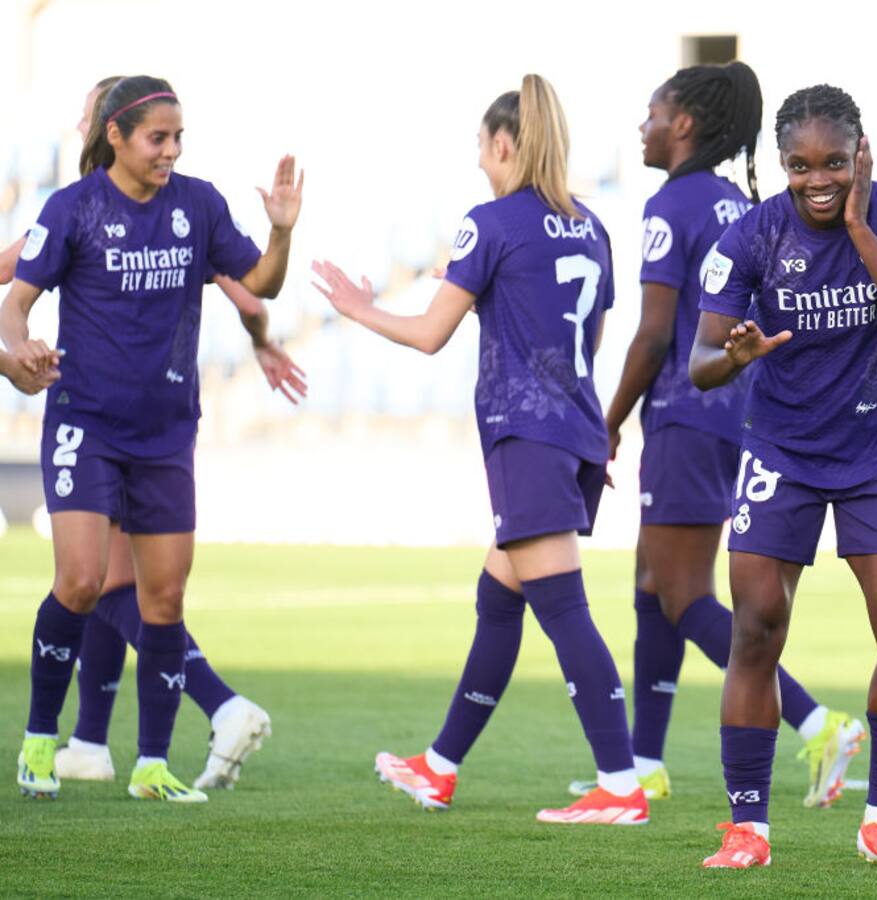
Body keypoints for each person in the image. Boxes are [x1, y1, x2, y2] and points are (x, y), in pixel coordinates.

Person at [313, 73, 647, 826]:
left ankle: (621, 785)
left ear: (505, 143)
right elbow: (583, 340)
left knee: (564, 609)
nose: (478, 163)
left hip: (525, 436)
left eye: (481, 148)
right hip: (577, 432)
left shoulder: (490, 222)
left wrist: (360, 309)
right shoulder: (592, 226)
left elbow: (431, 335)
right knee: (499, 597)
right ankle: (438, 767)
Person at [569, 62, 864, 807]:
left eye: (652, 112)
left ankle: (815, 721)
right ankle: (642, 764)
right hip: (737, 413)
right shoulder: (741, 202)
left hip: (686, 411)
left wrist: (605, 424)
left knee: (684, 592)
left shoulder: (673, 205)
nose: (643, 126)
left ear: (685, 125)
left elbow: (654, 333)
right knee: (651, 584)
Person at [2, 75, 303, 803]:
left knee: (162, 600)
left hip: (168, 433)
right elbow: (15, 306)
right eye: (157, 139)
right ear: (116, 136)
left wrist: (283, 230)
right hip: (86, 424)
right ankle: (41, 744)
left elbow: (259, 281)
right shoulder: (73, 209)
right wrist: (17, 355)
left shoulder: (197, 204)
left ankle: (151, 766)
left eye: (177, 139)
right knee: (80, 582)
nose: (169, 151)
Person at [689, 84, 877, 871]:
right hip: (783, 451)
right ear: (782, 165)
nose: (817, 180)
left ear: (860, 154)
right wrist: (730, 357)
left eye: (833, 162)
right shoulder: (752, 238)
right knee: (756, 625)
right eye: (799, 166)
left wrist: (863, 229)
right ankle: (747, 831)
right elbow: (701, 364)